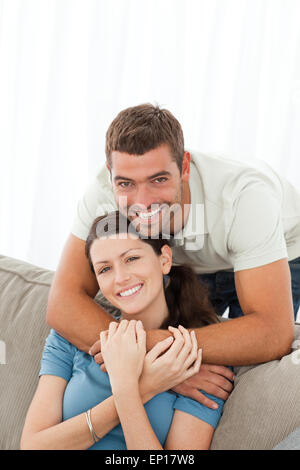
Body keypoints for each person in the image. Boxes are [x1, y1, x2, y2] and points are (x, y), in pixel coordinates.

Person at [46, 103, 300, 409]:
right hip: (185, 260)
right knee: (203, 373)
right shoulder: (102, 195)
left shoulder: (245, 198)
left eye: (159, 180)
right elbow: (62, 303)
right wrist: (166, 370)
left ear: (184, 167)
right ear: (111, 175)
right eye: (126, 183)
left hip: (274, 251)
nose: (143, 202)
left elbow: (272, 333)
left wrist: (150, 353)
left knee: (249, 372)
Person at [20, 211, 229, 450]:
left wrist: (126, 386)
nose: (120, 277)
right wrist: (142, 387)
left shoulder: (194, 362)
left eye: (131, 259)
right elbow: (32, 446)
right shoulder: (68, 337)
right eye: (105, 269)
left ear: (164, 260)